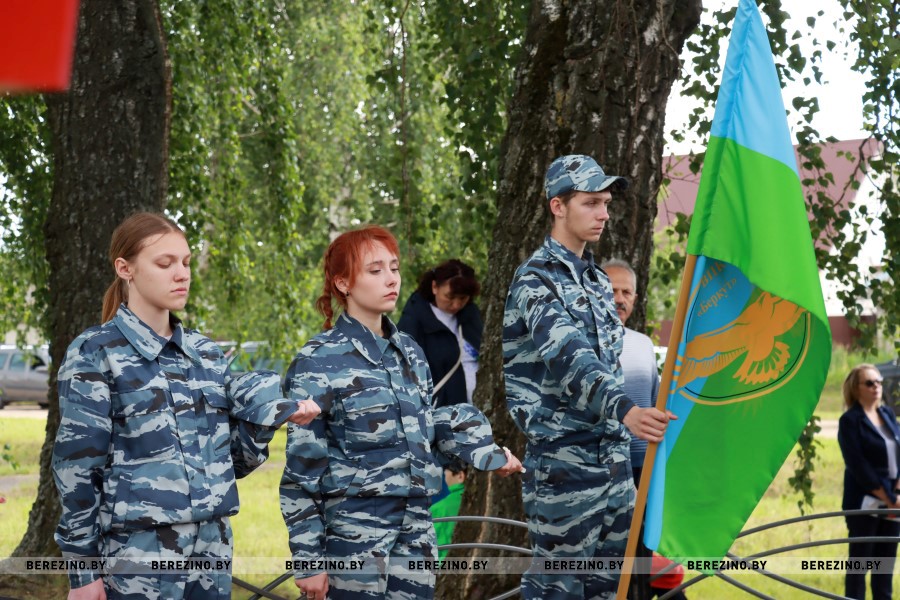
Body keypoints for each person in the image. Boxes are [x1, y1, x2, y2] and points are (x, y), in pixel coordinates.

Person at [52, 212, 320, 600]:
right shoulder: (95, 353)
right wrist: (83, 572)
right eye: (165, 263)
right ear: (125, 269)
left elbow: (232, 463)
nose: (182, 274)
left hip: (212, 547)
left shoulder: (205, 354)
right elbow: (76, 469)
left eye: (186, 262)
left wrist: (266, 421)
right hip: (136, 554)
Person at [280, 225, 523, 600]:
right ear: (343, 283)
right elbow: (302, 470)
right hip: (355, 535)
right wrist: (309, 560)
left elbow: (424, 436)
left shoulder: (410, 353)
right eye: (375, 270)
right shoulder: (318, 360)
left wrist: (484, 452)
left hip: (416, 530)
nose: (391, 279)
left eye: (394, 268)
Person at [503, 155, 674, 599]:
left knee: (610, 590)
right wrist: (627, 411)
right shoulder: (535, 280)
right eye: (591, 203)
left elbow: (610, 363)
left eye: (606, 204)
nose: (604, 214)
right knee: (557, 590)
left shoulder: (597, 280)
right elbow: (570, 359)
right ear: (558, 206)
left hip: (614, 463)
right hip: (565, 465)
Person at [601, 258, 660, 600]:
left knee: (640, 558)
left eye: (626, 292)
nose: (619, 299)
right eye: (611, 291)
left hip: (642, 467)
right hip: (601, 469)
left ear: (636, 299)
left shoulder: (643, 344)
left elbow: (653, 402)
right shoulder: (580, 345)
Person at [837, 363, 900, 600]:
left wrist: (897, 492)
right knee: (860, 565)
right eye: (870, 383)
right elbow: (858, 466)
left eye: (879, 382)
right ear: (856, 389)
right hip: (864, 503)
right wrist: (888, 497)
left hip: (894, 503)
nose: (877, 387)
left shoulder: (888, 414)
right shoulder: (849, 421)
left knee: (884, 567)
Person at [398, 259, 482, 407]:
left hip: (482, 406)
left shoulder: (472, 315)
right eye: (450, 297)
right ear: (434, 287)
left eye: (463, 298)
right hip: (444, 412)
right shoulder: (413, 322)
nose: (456, 305)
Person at [430, 466, 467, 560]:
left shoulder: (437, 509)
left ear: (460, 476)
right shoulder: (484, 504)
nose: (444, 475)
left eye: (446, 471)